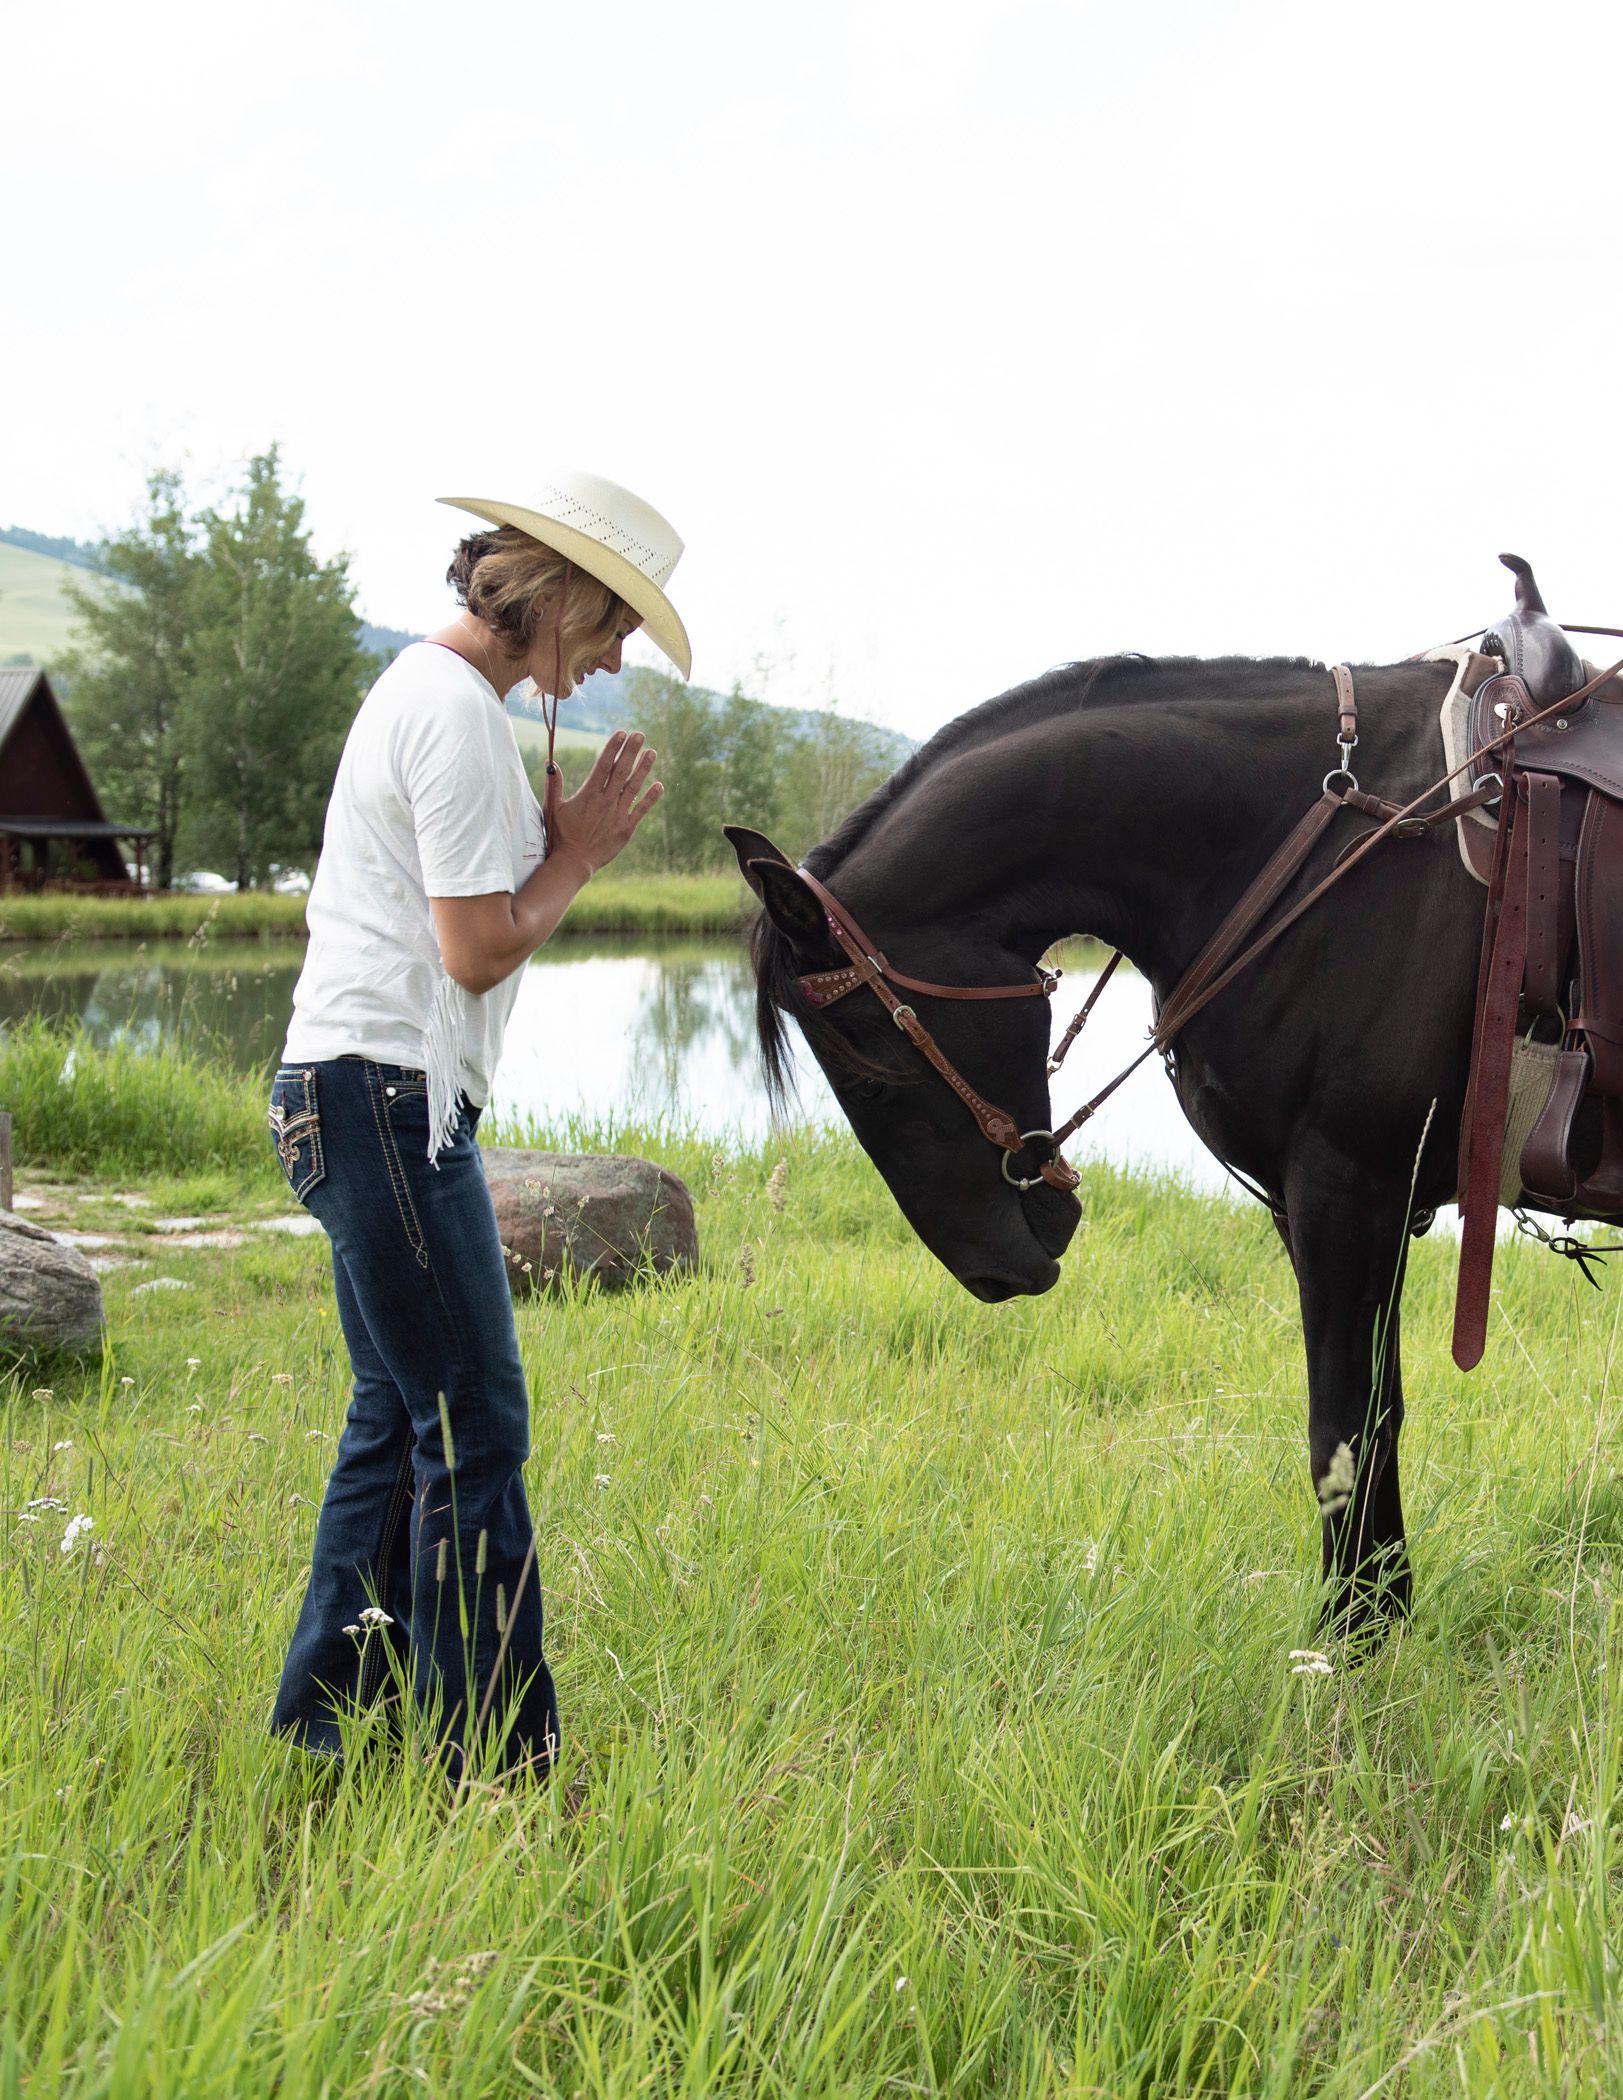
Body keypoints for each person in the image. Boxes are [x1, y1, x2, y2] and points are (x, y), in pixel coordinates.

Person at [266, 469, 689, 1775]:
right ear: (560, 595)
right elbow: (476, 949)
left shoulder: (441, 697)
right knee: (473, 1430)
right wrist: (576, 858)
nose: (614, 659)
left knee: (400, 1421)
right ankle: (494, 1763)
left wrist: (549, 846)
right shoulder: (451, 711)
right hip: (382, 1099)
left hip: (363, 1093)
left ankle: (334, 1729)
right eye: (614, 626)